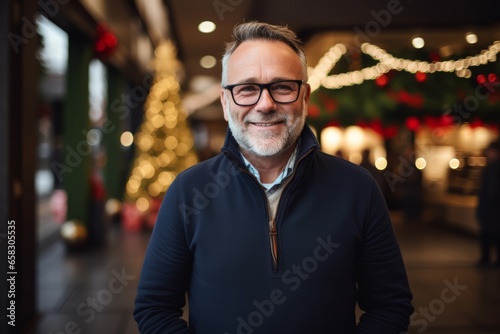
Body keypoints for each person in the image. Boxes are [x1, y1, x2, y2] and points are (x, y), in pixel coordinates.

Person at [134, 21, 414, 333]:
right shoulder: (187, 191)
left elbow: (390, 306)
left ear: (305, 97)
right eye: (247, 89)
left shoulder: (358, 188)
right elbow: (154, 309)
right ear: (226, 103)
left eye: (282, 87)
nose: (265, 104)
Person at [476, 141, 500, 268]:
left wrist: (485, 208)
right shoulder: (491, 167)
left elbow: (492, 190)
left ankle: (487, 260)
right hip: (491, 209)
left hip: (491, 209)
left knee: (491, 235)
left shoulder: (493, 168)